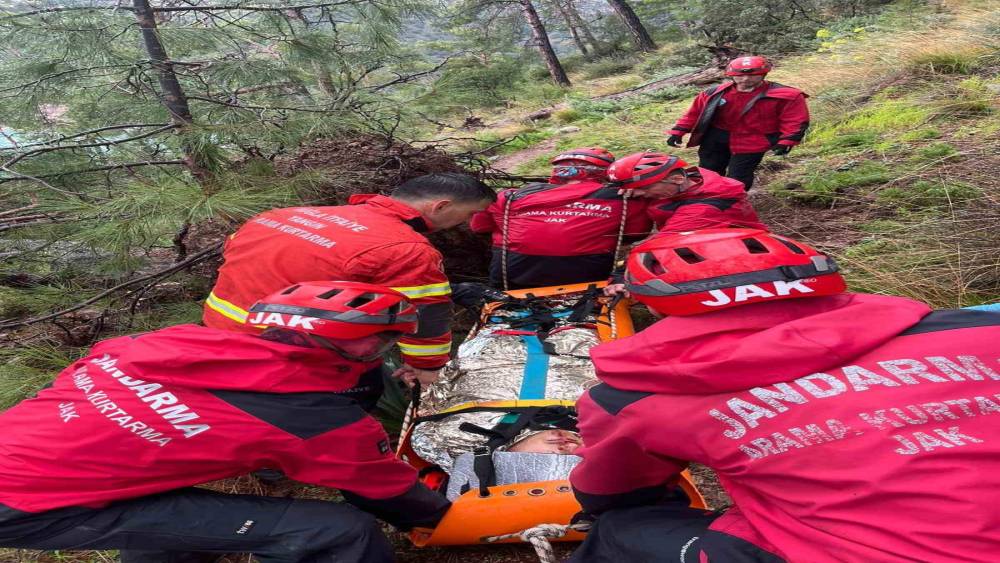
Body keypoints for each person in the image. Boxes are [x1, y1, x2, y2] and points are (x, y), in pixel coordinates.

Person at [568, 228, 1000, 562]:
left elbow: (611, 491)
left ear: (656, 305)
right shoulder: (978, 328)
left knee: (620, 527)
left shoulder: (635, 397)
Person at [0, 281, 452, 563]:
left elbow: (79, 375)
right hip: (31, 505)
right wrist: (445, 518)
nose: (388, 350)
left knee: (173, 515)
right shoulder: (312, 416)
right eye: (383, 340)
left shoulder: (169, 342)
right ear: (351, 344)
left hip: (28, 461)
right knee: (335, 532)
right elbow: (383, 490)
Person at [204, 173, 495, 387]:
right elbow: (426, 317)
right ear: (440, 206)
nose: (468, 223)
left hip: (219, 335)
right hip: (293, 354)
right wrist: (426, 368)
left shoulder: (279, 216)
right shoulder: (405, 248)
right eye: (470, 213)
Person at [469, 147, 653, 289]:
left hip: (513, 269)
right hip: (586, 271)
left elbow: (479, 227)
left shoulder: (509, 196)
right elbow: (636, 233)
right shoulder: (625, 198)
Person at [666, 56, 809, 190]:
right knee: (709, 171)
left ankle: (732, 203)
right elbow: (695, 113)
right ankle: (709, 199)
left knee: (739, 176)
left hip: (753, 141)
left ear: (764, 74)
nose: (746, 79)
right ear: (731, 75)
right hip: (716, 138)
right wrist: (678, 132)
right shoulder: (714, 93)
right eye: (740, 75)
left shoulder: (786, 96)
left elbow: (795, 120)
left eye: (753, 75)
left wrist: (787, 141)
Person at [607, 151, 767, 233]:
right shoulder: (690, 181)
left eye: (642, 189)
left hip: (736, 252)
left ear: (677, 179)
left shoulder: (705, 207)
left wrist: (621, 276)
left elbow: (663, 244)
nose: (638, 194)